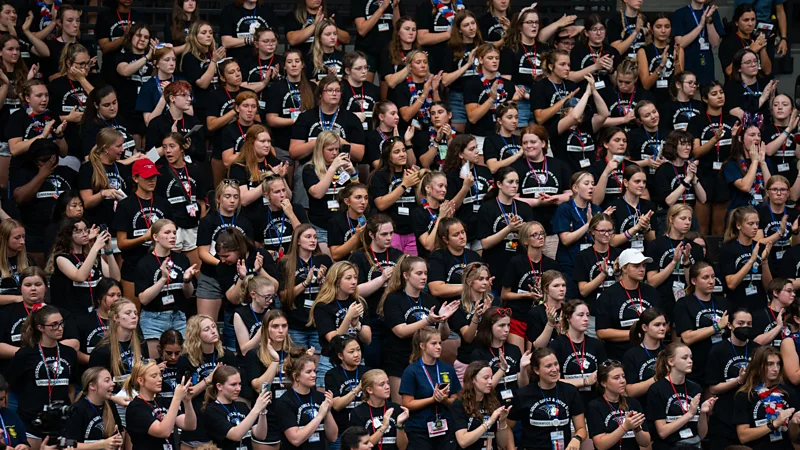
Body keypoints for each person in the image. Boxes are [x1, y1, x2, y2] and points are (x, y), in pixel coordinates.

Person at [379, 255, 455, 401]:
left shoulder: (430, 300)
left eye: (425, 273)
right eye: (419, 273)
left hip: (426, 362)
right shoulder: (394, 299)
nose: (424, 277)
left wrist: (443, 320)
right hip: (400, 361)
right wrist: (428, 320)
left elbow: (442, 335)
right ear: (406, 275)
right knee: (401, 408)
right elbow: (400, 331)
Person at [8, 305, 78, 449]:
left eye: (61, 323)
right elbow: (13, 385)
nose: (60, 328)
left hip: (61, 424)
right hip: (31, 423)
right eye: (54, 325)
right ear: (41, 328)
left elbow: (71, 385)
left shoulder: (69, 353)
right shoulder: (25, 355)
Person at [134, 219, 197, 357]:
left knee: (182, 360)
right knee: (155, 364)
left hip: (178, 316)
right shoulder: (144, 263)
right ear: (155, 237)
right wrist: (162, 279)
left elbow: (188, 294)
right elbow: (143, 299)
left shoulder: (182, 260)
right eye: (167, 232)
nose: (173, 236)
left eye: (174, 233)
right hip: (154, 318)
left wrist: (187, 280)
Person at [112, 158, 172, 302]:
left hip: (159, 262)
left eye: (154, 176)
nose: (152, 181)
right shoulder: (125, 205)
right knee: (132, 311)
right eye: (147, 177)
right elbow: (121, 243)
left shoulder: (163, 203)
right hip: (133, 263)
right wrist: (144, 238)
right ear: (135, 178)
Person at [348, 214, 403, 367]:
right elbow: (355, 290)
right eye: (384, 234)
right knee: (373, 365)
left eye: (391, 233)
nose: (389, 238)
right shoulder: (358, 257)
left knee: (393, 367)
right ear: (371, 234)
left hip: (394, 318)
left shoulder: (397, 255)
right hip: (370, 318)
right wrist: (382, 279)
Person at [10, 139, 77, 264]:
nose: (48, 163)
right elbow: (20, 198)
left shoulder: (67, 172)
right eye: (43, 160)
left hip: (65, 232)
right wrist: (42, 175)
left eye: (51, 159)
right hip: (35, 234)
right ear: (34, 160)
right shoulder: (25, 173)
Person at [507, 347, 588, 450]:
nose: (554, 369)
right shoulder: (523, 394)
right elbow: (508, 427)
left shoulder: (570, 391)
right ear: (536, 370)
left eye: (556, 364)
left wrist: (577, 439)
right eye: (548, 366)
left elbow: (581, 428)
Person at [196, 181, 254, 321]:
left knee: (239, 323)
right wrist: (221, 264)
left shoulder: (245, 222)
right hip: (212, 276)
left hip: (237, 277)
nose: (232, 200)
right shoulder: (208, 221)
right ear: (218, 198)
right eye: (227, 196)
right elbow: (203, 253)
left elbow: (250, 250)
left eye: (235, 196)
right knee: (206, 324)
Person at [688, 81, 739, 236]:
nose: (719, 96)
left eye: (721, 92)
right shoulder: (697, 121)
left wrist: (735, 137)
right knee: (702, 227)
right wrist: (714, 140)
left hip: (725, 175)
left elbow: (736, 152)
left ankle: (717, 259)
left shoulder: (732, 120)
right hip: (704, 174)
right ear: (705, 98)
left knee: (719, 228)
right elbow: (695, 152)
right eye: (714, 94)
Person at [178, 314, 237, 447]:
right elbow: (184, 395)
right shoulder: (186, 360)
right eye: (206, 329)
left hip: (221, 416)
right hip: (197, 417)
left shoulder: (226, 356)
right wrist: (209, 380)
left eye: (213, 327)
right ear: (196, 335)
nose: (213, 331)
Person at [308, 261, 372, 385]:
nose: (354, 282)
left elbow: (368, 339)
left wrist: (357, 325)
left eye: (355, 277)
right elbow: (333, 340)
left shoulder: (359, 302)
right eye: (348, 278)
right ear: (336, 281)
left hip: (356, 360)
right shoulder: (323, 306)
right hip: (330, 362)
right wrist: (348, 318)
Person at [399, 327, 461, 450]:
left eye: (439, 343)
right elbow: (407, 403)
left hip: (445, 428)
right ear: (422, 346)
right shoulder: (412, 371)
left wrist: (446, 401)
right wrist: (433, 399)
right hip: (420, 430)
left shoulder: (447, 368)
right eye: (433, 343)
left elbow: (457, 397)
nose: (439, 347)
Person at [646, 343, 717, 450]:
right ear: (671, 361)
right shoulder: (657, 389)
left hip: (694, 445)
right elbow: (662, 432)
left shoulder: (695, 388)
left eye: (691, 357)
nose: (690, 361)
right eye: (684, 358)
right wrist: (689, 414)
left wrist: (703, 413)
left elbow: (702, 435)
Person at [596, 248, 663, 360]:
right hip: (619, 356)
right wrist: (637, 334)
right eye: (636, 266)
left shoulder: (651, 292)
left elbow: (665, 323)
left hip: (651, 355)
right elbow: (602, 332)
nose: (642, 269)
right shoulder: (608, 295)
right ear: (624, 268)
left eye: (643, 265)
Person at [705, 308, 757, 450]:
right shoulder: (718, 350)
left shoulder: (757, 349)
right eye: (740, 323)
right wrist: (738, 380)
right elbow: (713, 388)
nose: (745, 327)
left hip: (749, 415)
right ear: (729, 325)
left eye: (749, 324)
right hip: (724, 417)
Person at [302, 130, 361, 255]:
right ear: (320, 149)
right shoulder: (309, 169)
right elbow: (317, 193)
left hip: (344, 225)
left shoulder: (343, 168)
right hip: (321, 226)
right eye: (330, 149)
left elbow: (357, 193)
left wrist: (353, 174)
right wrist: (333, 168)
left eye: (337, 149)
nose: (335, 153)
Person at [501, 222, 559, 349]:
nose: (540, 237)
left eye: (542, 233)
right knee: (520, 358)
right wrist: (527, 295)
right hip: (519, 316)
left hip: (541, 318)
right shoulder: (516, 262)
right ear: (525, 241)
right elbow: (504, 294)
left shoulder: (551, 264)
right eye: (535, 235)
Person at [46, 217, 119, 316]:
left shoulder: (93, 256)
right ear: (68, 235)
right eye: (79, 231)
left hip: (93, 312)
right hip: (71, 313)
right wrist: (95, 247)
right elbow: (80, 277)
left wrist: (108, 251)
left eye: (86, 230)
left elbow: (115, 278)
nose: (85, 234)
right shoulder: (61, 258)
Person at [291, 75, 366, 171]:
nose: (334, 94)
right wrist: (320, 141)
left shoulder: (351, 119)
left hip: (342, 167)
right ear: (320, 94)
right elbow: (294, 152)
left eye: (337, 91)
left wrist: (338, 141)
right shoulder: (305, 117)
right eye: (329, 90)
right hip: (311, 167)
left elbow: (359, 155)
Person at [552, 171, 606, 298]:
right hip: (570, 265)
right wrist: (588, 225)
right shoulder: (564, 209)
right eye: (586, 183)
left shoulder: (596, 209)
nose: (591, 187)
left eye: (592, 184)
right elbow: (565, 239)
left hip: (591, 265)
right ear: (575, 188)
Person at [733, 346, 800, 450]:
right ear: (759, 366)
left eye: (778, 364)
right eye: (770, 364)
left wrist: (794, 424)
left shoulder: (788, 392)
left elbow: (794, 437)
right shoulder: (745, 395)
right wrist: (774, 424)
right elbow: (743, 436)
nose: (776, 369)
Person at [511, 124, 571, 240]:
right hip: (525, 230)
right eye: (525, 143)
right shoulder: (515, 168)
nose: (528, 146)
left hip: (554, 230)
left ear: (543, 143)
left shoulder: (560, 165)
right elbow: (512, 199)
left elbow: (571, 194)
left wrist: (554, 199)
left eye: (533, 142)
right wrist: (536, 202)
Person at [245, 310, 294, 450]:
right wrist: (275, 361)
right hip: (267, 416)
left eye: (284, 326)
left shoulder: (294, 353)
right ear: (265, 329)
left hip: (291, 414)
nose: (280, 331)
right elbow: (258, 386)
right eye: (275, 326)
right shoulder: (254, 355)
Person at [645, 204, 704, 318]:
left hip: (687, 300)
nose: (687, 222)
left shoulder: (695, 248)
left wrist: (686, 264)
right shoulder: (656, 245)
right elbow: (652, 282)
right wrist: (673, 262)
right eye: (683, 218)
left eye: (690, 219)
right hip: (661, 299)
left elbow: (695, 284)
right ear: (671, 219)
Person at [157, 132, 206, 268]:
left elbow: (202, 202)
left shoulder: (195, 171)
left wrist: (202, 228)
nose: (167, 151)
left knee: (197, 271)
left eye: (172, 146)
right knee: (173, 270)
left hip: (193, 228)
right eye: (164, 147)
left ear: (182, 148)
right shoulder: (161, 174)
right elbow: (144, 160)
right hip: (172, 229)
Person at [477, 167, 534, 283]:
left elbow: (532, 239)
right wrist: (509, 228)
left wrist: (522, 229)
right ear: (499, 184)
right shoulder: (487, 208)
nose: (515, 185)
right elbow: (485, 244)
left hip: (519, 262)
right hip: (495, 263)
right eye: (510, 182)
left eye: (517, 182)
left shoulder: (525, 208)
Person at [272, 350, 339, 450]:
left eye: (314, 371)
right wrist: (320, 416)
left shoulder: (320, 397)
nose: (314, 375)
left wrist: (327, 410)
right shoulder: (284, 402)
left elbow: (333, 437)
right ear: (296, 376)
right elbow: (295, 440)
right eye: (308, 372)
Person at [124, 360, 197, 450]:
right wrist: (177, 398)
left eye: (160, 375)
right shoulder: (135, 408)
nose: (160, 379)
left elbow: (190, 425)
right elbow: (163, 432)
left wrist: (187, 401)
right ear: (141, 380)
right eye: (154, 376)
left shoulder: (162, 401)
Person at [547, 74, 609, 175]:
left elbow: (604, 114)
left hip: (590, 176)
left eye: (583, 110)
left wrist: (593, 90)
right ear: (566, 112)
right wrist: (587, 93)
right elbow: (574, 116)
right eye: (578, 108)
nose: (582, 113)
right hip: (570, 176)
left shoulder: (586, 126)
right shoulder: (556, 127)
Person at [265, 48, 317, 170]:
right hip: (283, 145)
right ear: (284, 66)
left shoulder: (312, 87)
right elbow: (271, 119)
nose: (293, 65)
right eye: (289, 62)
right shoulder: (276, 88)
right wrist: (296, 120)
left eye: (297, 61)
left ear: (302, 64)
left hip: (307, 146)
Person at [550, 299, 606, 407]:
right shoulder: (557, 345)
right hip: (566, 401)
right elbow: (553, 380)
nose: (586, 319)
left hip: (593, 402)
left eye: (587, 315)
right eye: (580, 315)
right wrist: (585, 381)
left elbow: (603, 376)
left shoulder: (596, 344)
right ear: (568, 317)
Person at [368, 137, 420, 255]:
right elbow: (381, 204)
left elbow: (420, 202)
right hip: (391, 233)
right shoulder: (379, 176)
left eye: (403, 150)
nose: (402, 154)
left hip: (411, 230)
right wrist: (404, 185)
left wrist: (417, 186)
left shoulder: (410, 173)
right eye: (397, 152)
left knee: (410, 268)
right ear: (387, 155)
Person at [586, 360, 651, 450]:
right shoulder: (595, 406)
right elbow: (600, 445)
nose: (622, 381)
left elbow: (646, 442)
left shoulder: (633, 403)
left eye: (623, 377)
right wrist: (625, 427)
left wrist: (637, 429)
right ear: (603, 383)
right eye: (616, 378)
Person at [471, 306, 531, 404]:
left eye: (508, 325)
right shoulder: (479, 354)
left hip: (515, 405)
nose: (507, 330)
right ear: (489, 327)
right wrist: (502, 369)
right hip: (491, 405)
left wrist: (523, 369)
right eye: (502, 325)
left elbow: (523, 386)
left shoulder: (514, 350)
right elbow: (483, 389)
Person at [88, 298, 147, 396]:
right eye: (128, 313)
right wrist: (114, 399)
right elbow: (94, 387)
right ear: (116, 318)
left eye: (135, 313)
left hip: (139, 397)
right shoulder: (102, 350)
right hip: (114, 399)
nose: (134, 317)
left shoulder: (141, 343)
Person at [203, 365, 271, 450]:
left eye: (239, 384)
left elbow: (261, 435)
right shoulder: (211, 411)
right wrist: (256, 408)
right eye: (233, 384)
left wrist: (262, 410)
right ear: (219, 386)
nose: (238, 388)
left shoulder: (242, 406)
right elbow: (236, 435)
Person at [78, 128, 132, 234]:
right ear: (106, 148)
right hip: (97, 228)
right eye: (118, 146)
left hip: (120, 227)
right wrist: (102, 193)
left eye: (122, 145)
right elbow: (87, 202)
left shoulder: (122, 168)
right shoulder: (88, 168)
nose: (122, 150)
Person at [719, 206, 773, 310]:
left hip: (759, 304)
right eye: (750, 224)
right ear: (739, 225)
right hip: (737, 305)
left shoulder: (760, 247)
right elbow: (731, 284)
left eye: (757, 223)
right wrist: (751, 261)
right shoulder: (728, 248)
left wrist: (765, 262)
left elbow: (769, 287)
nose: (755, 227)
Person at [228, 125, 284, 225]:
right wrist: (270, 178)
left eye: (269, 141)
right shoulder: (239, 166)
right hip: (249, 218)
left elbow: (288, 196)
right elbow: (244, 200)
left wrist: (281, 178)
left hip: (274, 217)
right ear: (251, 143)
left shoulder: (275, 163)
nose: (267, 145)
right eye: (263, 141)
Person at [451, 361, 512, 450]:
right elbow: (463, 442)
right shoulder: (459, 404)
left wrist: (502, 422)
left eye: (491, 377)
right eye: (486, 378)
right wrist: (489, 422)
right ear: (473, 379)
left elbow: (502, 444)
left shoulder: (493, 401)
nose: (490, 381)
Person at [442, 136, 491, 247]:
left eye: (476, 148)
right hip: (462, 230)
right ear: (460, 154)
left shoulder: (485, 171)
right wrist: (465, 188)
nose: (477, 151)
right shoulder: (451, 176)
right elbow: (450, 207)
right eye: (471, 149)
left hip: (483, 228)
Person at [463, 43, 519, 139]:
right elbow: (472, 118)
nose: (494, 61)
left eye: (497, 58)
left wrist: (513, 101)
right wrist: (492, 99)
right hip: (480, 136)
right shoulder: (472, 84)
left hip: (502, 136)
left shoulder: (508, 84)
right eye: (490, 58)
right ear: (480, 60)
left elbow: (510, 115)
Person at [326, 334, 370, 446]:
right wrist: (358, 388)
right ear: (340, 355)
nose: (357, 354)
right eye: (351, 352)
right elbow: (337, 405)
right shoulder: (332, 375)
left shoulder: (367, 372)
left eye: (358, 350)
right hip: (342, 432)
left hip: (366, 431)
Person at [349, 369, 410, 450]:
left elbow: (403, 447)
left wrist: (399, 425)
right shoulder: (358, 412)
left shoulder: (396, 409)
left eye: (388, 383)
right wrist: (383, 427)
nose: (387, 387)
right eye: (382, 384)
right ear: (369, 390)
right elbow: (360, 447)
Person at [64, 367, 124, 448]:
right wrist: (102, 444)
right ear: (92, 386)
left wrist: (117, 439)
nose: (113, 383)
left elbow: (120, 433)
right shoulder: (78, 409)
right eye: (107, 380)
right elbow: (69, 445)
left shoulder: (110, 404)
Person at [574, 214, 621, 312]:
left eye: (609, 230)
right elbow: (583, 291)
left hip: (615, 307)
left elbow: (625, 286)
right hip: (592, 310)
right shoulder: (583, 256)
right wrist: (602, 275)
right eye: (602, 231)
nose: (607, 234)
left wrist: (617, 274)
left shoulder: (619, 254)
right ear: (592, 232)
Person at [179, 21, 224, 121]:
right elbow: (203, 84)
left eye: (210, 33)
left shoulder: (214, 54)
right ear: (194, 36)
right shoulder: (189, 57)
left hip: (218, 101)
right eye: (203, 33)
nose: (208, 35)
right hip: (201, 104)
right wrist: (214, 61)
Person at [671, 0, 724, 85]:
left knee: (707, 91)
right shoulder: (680, 13)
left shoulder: (712, 12)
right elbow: (680, 44)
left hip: (706, 62)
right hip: (688, 62)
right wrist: (700, 26)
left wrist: (708, 21)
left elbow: (714, 43)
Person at [652, 130, 707, 212]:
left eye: (689, 144)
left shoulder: (691, 168)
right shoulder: (663, 170)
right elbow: (669, 201)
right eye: (683, 144)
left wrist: (694, 178)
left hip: (689, 213)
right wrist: (687, 179)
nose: (688, 147)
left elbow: (703, 199)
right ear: (673, 147)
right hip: (669, 215)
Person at [622, 308, 667, 406]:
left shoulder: (669, 351)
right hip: (643, 407)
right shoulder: (631, 355)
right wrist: (657, 377)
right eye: (657, 325)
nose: (662, 328)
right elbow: (630, 392)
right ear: (644, 327)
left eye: (664, 324)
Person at [79, 86, 138, 162]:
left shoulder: (120, 118)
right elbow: (90, 159)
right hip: (111, 171)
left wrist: (138, 158)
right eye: (107, 105)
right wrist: (125, 162)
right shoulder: (91, 126)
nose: (112, 108)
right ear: (96, 105)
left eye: (114, 102)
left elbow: (132, 147)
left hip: (132, 164)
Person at [71, 278, 122, 364]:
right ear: (99, 298)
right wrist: (97, 360)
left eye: (119, 295)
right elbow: (75, 352)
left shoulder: (123, 319)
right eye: (112, 295)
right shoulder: (83, 321)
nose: (116, 299)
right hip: (92, 369)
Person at [568, 14, 620, 98]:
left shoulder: (612, 51)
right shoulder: (577, 50)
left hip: (607, 95)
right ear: (586, 33)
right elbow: (571, 77)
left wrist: (611, 70)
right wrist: (595, 66)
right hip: (584, 94)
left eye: (601, 29)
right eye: (594, 29)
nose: (599, 33)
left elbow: (619, 84)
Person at [724, 124, 772, 210]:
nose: (757, 138)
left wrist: (762, 163)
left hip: (763, 211)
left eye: (759, 135)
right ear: (740, 139)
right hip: (740, 211)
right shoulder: (732, 163)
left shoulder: (765, 161)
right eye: (752, 135)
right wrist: (754, 162)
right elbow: (745, 187)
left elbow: (771, 190)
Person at [636, 14, 682, 106]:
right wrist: (661, 66)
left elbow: (679, 82)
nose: (663, 31)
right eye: (658, 27)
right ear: (651, 29)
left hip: (671, 98)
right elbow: (646, 85)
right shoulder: (643, 51)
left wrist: (676, 61)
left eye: (667, 27)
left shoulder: (677, 49)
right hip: (650, 99)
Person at [608, 165, 655, 251]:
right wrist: (636, 228)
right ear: (626, 182)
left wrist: (646, 229)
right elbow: (612, 242)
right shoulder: (614, 207)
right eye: (637, 181)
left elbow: (653, 241)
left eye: (644, 182)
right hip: (622, 256)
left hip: (644, 256)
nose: (642, 185)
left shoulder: (649, 206)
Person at [718, 4, 771, 79]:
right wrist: (750, 50)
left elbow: (767, 71)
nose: (750, 24)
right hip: (739, 86)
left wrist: (762, 48)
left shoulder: (757, 38)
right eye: (746, 20)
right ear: (737, 22)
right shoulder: (728, 43)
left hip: (759, 85)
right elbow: (729, 72)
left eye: (753, 19)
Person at [240, 27, 282, 120]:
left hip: (276, 109)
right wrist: (264, 83)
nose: (270, 44)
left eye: (273, 40)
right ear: (256, 44)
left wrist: (278, 79)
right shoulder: (247, 62)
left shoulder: (282, 61)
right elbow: (242, 89)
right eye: (266, 41)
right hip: (253, 109)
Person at [531, 50, 579, 129]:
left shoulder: (571, 85)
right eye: (562, 64)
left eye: (568, 65)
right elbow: (540, 118)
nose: (567, 68)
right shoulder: (539, 86)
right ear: (550, 67)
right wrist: (566, 99)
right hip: (548, 132)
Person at [591, 127, 638, 208]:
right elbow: (596, 201)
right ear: (606, 144)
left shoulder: (632, 166)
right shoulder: (596, 167)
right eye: (617, 140)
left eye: (624, 141)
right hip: (606, 211)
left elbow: (644, 195)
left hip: (629, 210)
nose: (622, 143)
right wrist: (606, 172)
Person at [411, 170, 453, 258]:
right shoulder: (418, 213)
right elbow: (428, 246)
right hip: (429, 260)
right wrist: (440, 218)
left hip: (447, 257)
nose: (444, 190)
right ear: (428, 188)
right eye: (440, 186)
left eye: (445, 186)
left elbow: (451, 241)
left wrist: (450, 220)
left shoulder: (445, 209)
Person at [232, 275, 275, 361]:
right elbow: (245, 350)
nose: (271, 301)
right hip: (249, 361)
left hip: (269, 358)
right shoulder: (240, 314)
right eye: (267, 297)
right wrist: (264, 326)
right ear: (253, 295)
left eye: (273, 296)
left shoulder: (272, 311)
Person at [379, 16, 419, 103]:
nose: (411, 33)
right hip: (396, 99)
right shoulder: (387, 52)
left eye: (414, 30)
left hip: (417, 97)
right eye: (407, 29)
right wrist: (411, 64)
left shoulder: (420, 52)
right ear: (398, 32)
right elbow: (391, 82)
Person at [526, 270, 568, 350]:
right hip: (545, 357)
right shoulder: (536, 313)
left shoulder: (569, 309)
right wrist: (550, 324)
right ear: (546, 289)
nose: (562, 289)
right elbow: (538, 347)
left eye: (563, 285)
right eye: (556, 286)